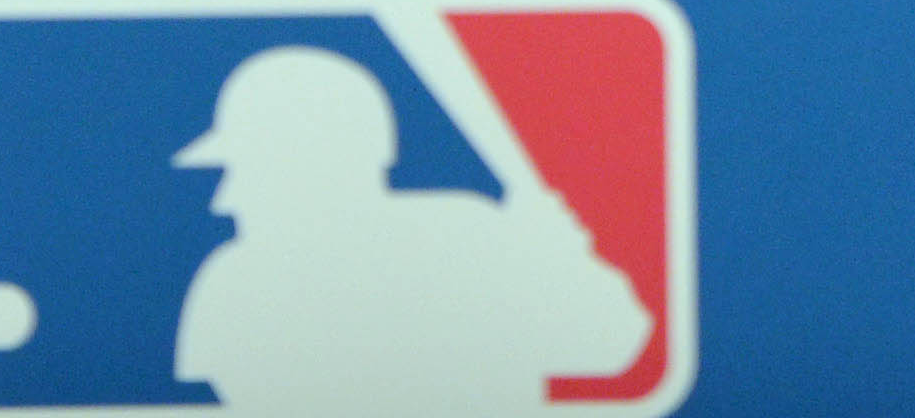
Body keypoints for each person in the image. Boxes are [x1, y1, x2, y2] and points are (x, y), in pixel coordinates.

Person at [165, 46, 647, 415]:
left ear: (317, 167)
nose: (224, 199)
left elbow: (613, 342)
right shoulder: (237, 284)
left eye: (249, 170)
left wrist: (561, 264)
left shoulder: (471, 234)